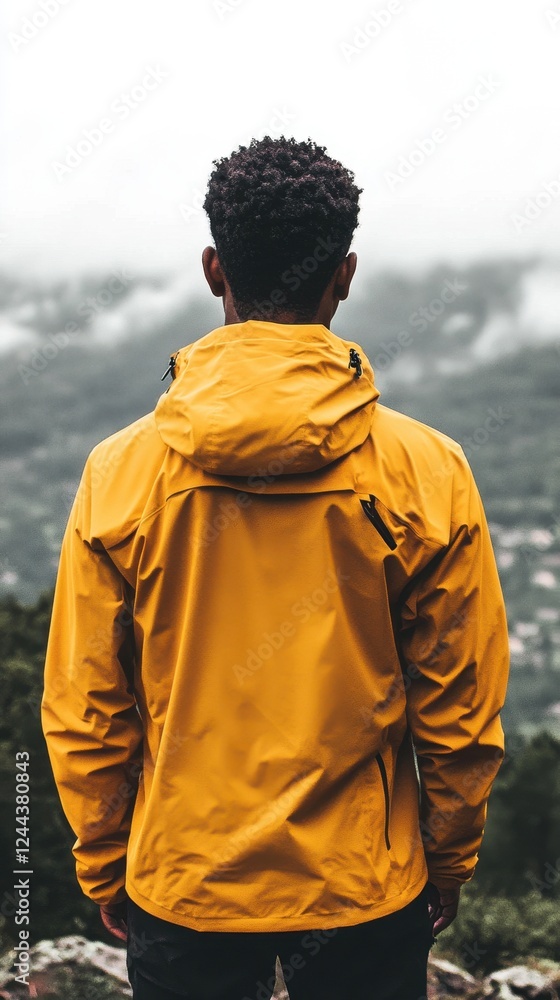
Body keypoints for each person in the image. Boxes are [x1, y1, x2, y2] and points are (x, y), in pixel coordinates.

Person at [41, 136, 510, 1000]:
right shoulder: (428, 469)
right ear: (347, 273)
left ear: (214, 268)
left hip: (183, 884)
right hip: (366, 887)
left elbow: (85, 708)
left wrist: (107, 861)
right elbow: (461, 712)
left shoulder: (121, 472)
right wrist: (447, 858)